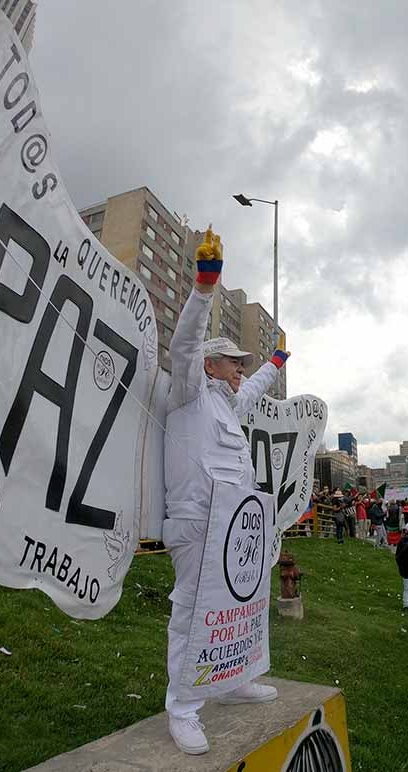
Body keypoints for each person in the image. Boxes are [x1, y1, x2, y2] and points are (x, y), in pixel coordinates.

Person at [161, 230, 288, 755]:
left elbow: (253, 388)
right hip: (195, 522)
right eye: (233, 361)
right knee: (192, 610)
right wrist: (204, 288)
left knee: (243, 602)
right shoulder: (189, 390)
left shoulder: (226, 403)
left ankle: (234, 679)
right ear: (210, 365)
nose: (240, 368)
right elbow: (185, 342)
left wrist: (275, 365)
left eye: (242, 362)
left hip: (237, 524)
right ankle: (183, 708)